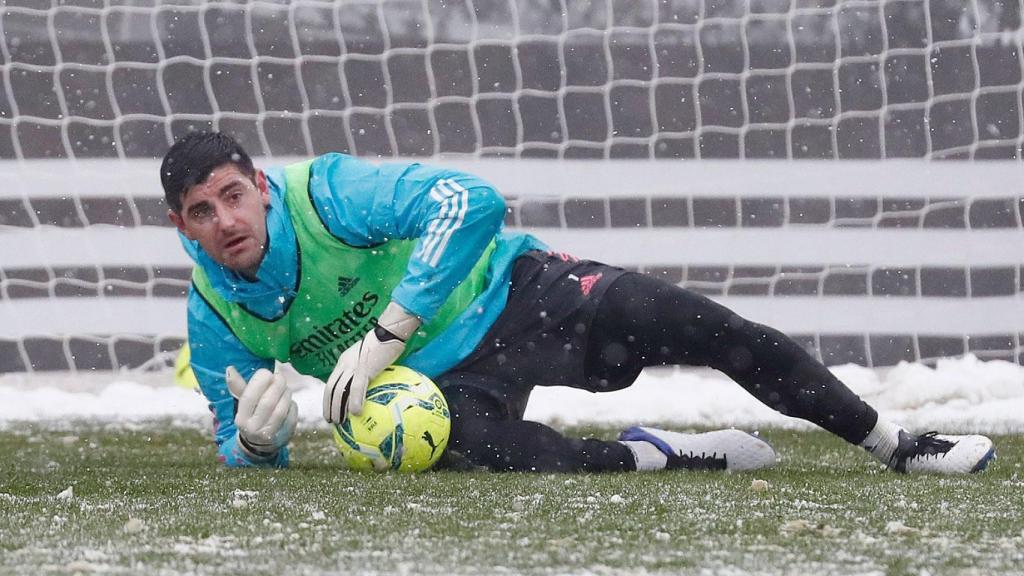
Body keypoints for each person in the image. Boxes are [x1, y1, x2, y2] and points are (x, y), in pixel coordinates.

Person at [162, 131, 994, 474]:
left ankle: (896, 444)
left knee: (712, 329)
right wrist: (257, 442)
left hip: (525, 292)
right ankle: (666, 455)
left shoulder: (330, 192)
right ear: (183, 227)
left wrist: (385, 333)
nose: (226, 220)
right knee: (515, 460)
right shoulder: (212, 312)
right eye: (203, 211)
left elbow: (470, 199)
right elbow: (234, 439)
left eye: (234, 195)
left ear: (262, 189)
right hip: (437, 388)